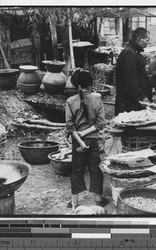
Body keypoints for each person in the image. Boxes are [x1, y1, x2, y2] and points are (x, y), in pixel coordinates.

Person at [65, 68, 107, 209]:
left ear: (76, 85)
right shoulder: (97, 98)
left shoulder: (70, 101)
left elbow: (70, 127)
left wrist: (81, 139)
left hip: (78, 142)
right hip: (93, 140)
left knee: (77, 170)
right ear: (91, 83)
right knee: (96, 168)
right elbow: (100, 124)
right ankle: (99, 199)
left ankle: (74, 202)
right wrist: (86, 135)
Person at [115, 27, 152, 115]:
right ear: (139, 39)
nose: (147, 43)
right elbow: (130, 79)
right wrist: (141, 97)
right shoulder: (130, 53)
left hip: (132, 99)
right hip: (129, 101)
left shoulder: (133, 52)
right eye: (147, 40)